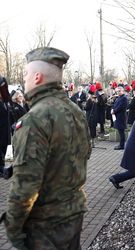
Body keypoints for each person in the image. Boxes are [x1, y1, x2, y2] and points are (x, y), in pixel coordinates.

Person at [1, 47, 91, 249]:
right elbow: (86, 153)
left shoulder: (34, 120)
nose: (24, 80)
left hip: (46, 225)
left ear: (37, 77)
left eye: (25, 75)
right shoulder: (75, 111)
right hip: (73, 214)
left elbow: (26, 184)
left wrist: (13, 227)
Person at [111, 84, 128, 150]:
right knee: (120, 131)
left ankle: (122, 145)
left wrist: (114, 111)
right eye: (118, 91)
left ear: (123, 91)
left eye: (120, 91)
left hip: (121, 117)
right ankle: (121, 144)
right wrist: (112, 109)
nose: (118, 92)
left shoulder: (124, 98)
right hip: (117, 116)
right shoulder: (118, 97)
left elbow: (121, 107)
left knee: (121, 132)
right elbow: (115, 105)